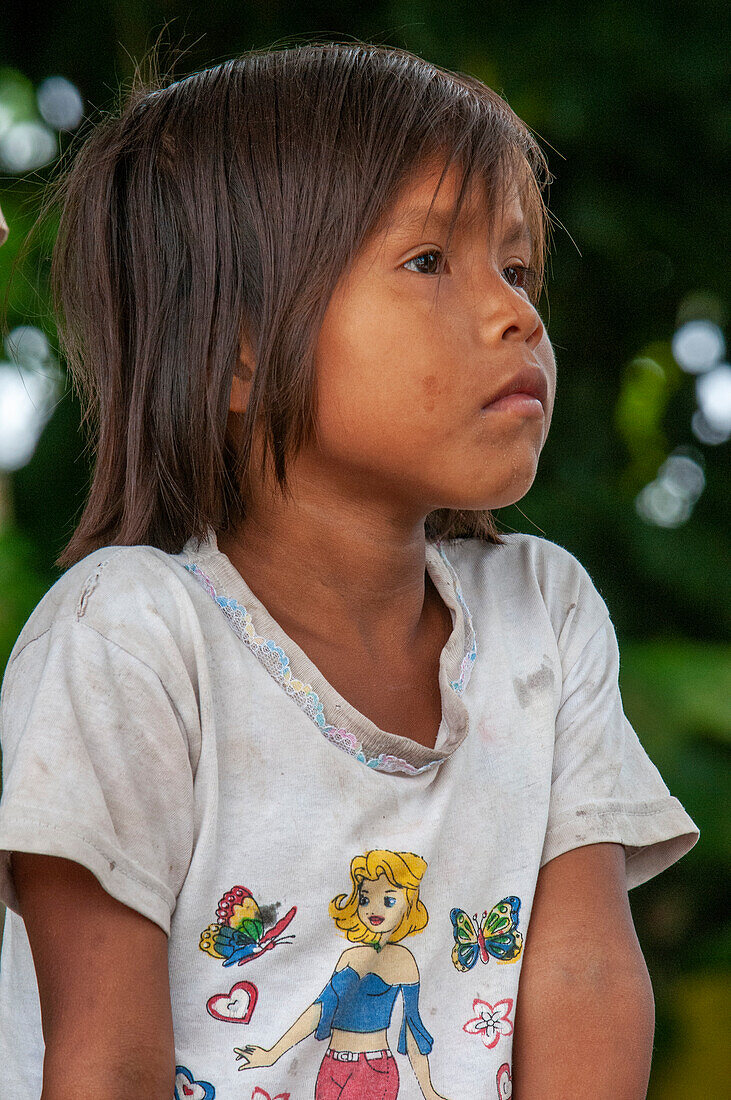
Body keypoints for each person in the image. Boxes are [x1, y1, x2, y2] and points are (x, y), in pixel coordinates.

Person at [0, 41, 698, 1100]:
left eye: (516, 268)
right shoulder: (126, 637)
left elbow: (586, 975)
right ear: (238, 345)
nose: (517, 312)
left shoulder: (542, 617)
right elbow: (99, 1057)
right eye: (429, 261)